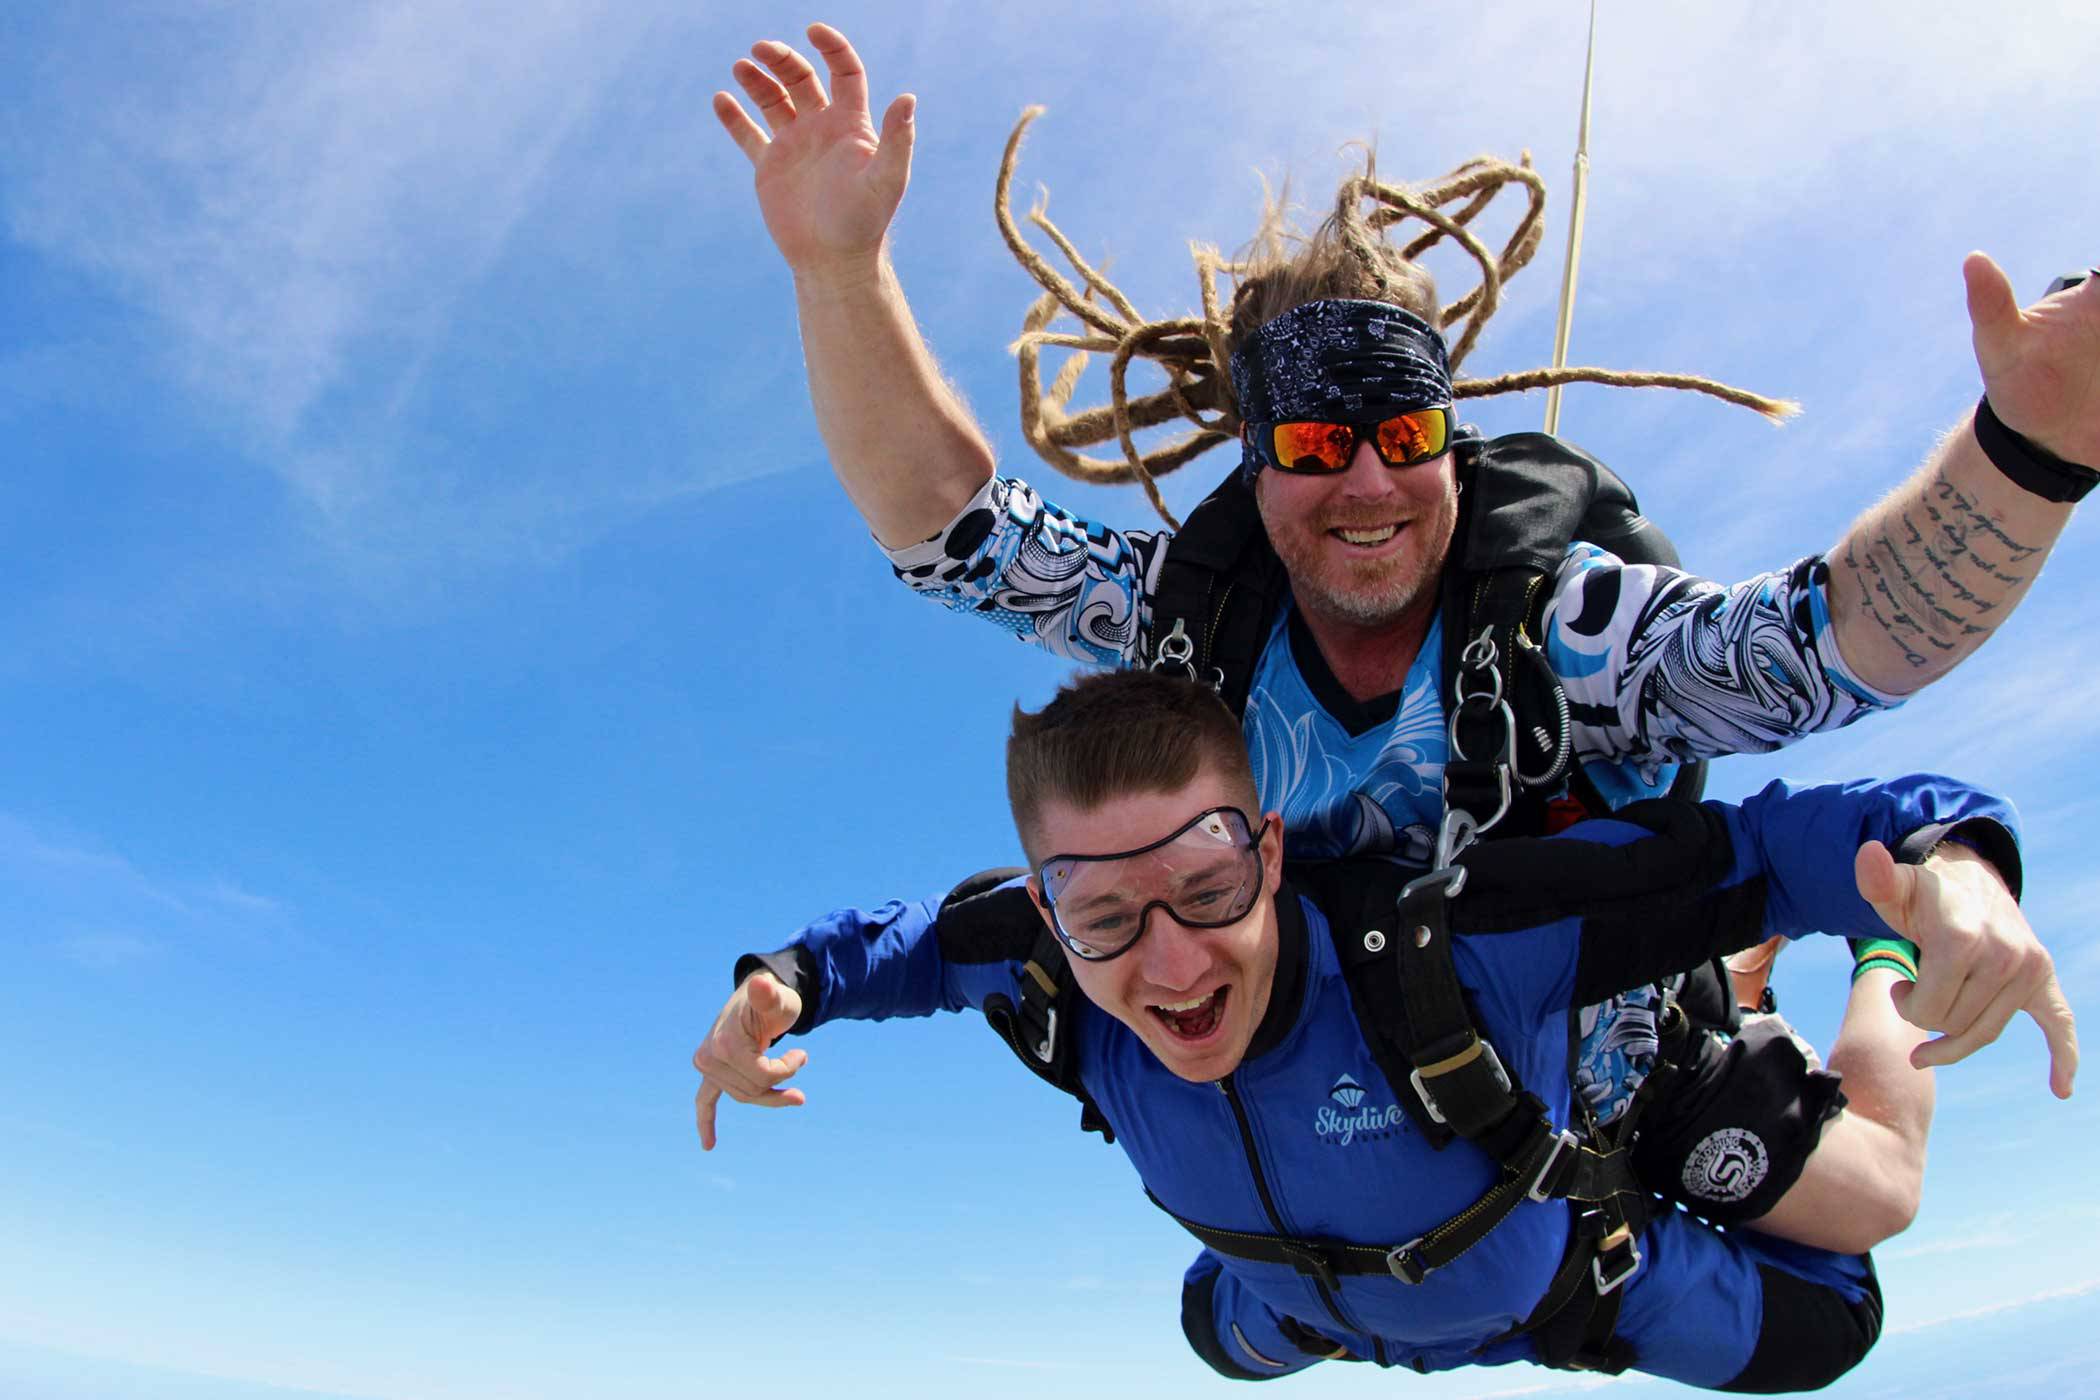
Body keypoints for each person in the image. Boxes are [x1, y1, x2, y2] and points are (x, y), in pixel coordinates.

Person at [710, 25, 2086, 1249]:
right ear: (1253, 464)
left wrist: (2030, 447)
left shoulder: (1559, 632)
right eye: (1314, 444)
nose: (1366, 485)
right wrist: (837, 268)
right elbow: (958, 538)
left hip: (1606, 1067)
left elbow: (1824, 648)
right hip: (1348, 1076)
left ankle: (1799, 983)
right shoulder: (1199, 631)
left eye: (1403, 436)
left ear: (1448, 440)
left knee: (1875, 1205)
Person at [693, 668, 2044, 1389]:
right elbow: (905, 942)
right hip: (1309, 1300)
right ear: (1047, 912)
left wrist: (1944, 872)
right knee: (1217, 1344)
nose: (1167, 960)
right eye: (1100, 915)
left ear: (1272, 854)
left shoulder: (1450, 942)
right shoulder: (1034, 963)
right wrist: (786, 984)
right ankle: (1729, 995)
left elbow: (1773, 839)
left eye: (1210, 888)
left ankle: (1760, 999)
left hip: (1582, 1261)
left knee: (1860, 1255)